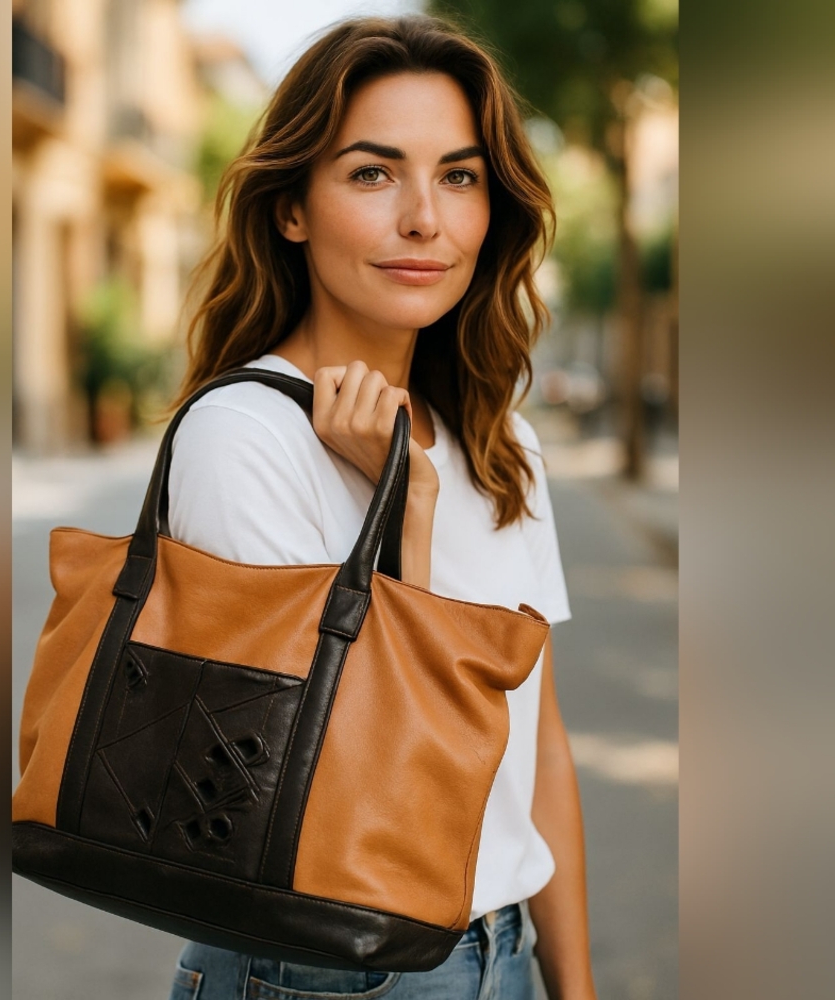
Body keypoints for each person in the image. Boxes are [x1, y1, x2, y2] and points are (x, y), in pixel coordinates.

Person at [164, 15, 596, 1000]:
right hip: (320, 971)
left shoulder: (499, 442)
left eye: (458, 175)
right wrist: (403, 514)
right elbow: (331, 787)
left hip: (504, 956)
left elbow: (540, 742)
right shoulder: (243, 439)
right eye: (371, 173)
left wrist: (573, 985)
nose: (424, 220)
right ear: (292, 210)